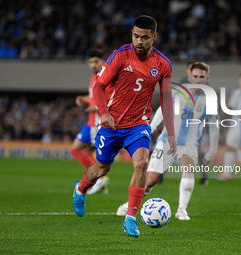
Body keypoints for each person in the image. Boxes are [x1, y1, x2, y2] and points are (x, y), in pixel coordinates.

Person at [72, 15, 177, 238]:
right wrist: (104, 112)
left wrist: (172, 134)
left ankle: (130, 218)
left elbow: (166, 99)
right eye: (136, 36)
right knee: (102, 169)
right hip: (111, 124)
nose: (139, 41)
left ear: (154, 37)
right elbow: (99, 86)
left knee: (141, 163)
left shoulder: (162, 64)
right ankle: (80, 189)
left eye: (145, 37)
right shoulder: (120, 56)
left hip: (138, 124)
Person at [117, 62, 220, 220]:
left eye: (201, 77)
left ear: (207, 78)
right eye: (195, 76)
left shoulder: (210, 100)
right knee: (150, 180)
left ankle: (181, 210)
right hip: (166, 142)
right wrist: (150, 129)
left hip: (189, 145)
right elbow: (162, 110)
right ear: (190, 77)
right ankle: (129, 205)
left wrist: (212, 150)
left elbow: (214, 127)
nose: (198, 80)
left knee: (188, 170)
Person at [70, 49, 109, 194]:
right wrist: (84, 99)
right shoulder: (94, 78)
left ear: (102, 62)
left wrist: (94, 107)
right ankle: (96, 180)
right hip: (92, 121)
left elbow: (110, 99)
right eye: (91, 62)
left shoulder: (104, 77)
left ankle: (99, 179)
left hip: (96, 123)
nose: (93, 65)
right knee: (86, 152)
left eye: (96, 62)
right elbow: (94, 96)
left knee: (76, 149)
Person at [217, 72, 241, 180]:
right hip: (234, 123)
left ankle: (226, 174)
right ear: (239, 80)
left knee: (230, 147)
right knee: (231, 148)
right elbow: (230, 107)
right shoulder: (235, 92)